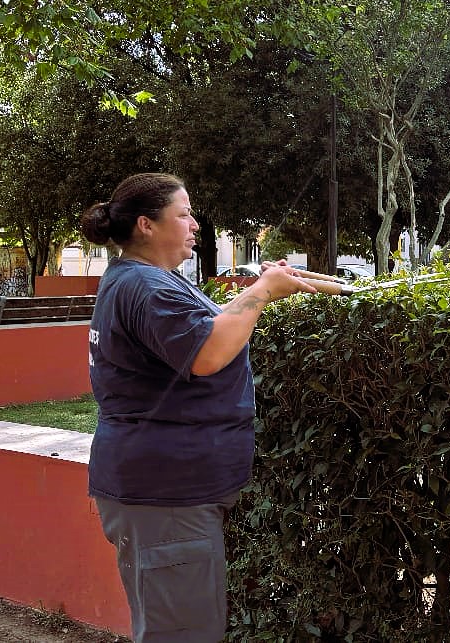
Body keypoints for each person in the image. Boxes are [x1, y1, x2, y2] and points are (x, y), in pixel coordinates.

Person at [79, 173, 319, 643]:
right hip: (166, 494)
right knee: (183, 633)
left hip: (167, 488)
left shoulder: (144, 279)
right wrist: (261, 292)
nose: (195, 225)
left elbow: (206, 328)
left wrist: (263, 286)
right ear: (147, 224)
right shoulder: (146, 286)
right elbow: (208, 352)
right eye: (184, 214)